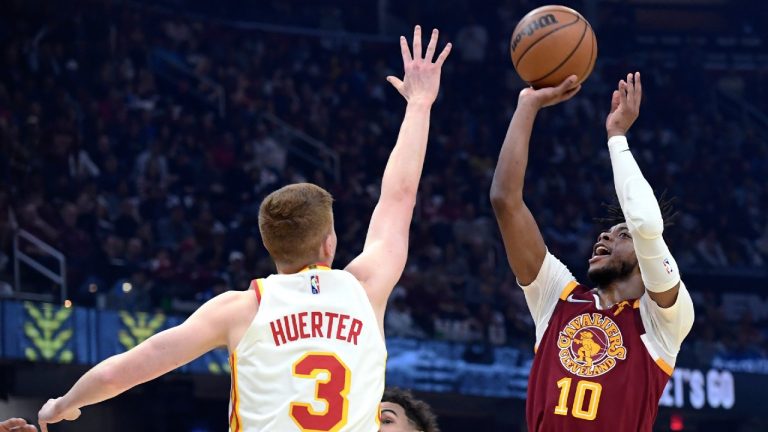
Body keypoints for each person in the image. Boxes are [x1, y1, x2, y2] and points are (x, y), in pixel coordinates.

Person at [37, 26, 452, 432]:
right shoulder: (365, 289)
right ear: (330, 242)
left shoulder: (242, 308)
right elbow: (399, 197)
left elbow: (124, 371)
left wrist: (63, 404)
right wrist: (419, 104)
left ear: (272, 246)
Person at [490, 72, 694, 431]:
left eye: (621, 234)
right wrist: (528, 104)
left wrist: (617, 137)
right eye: (607, 230)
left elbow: (646, 224)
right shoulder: (558, 298)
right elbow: (505, 201)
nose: (605, 234)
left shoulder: (663, 319)